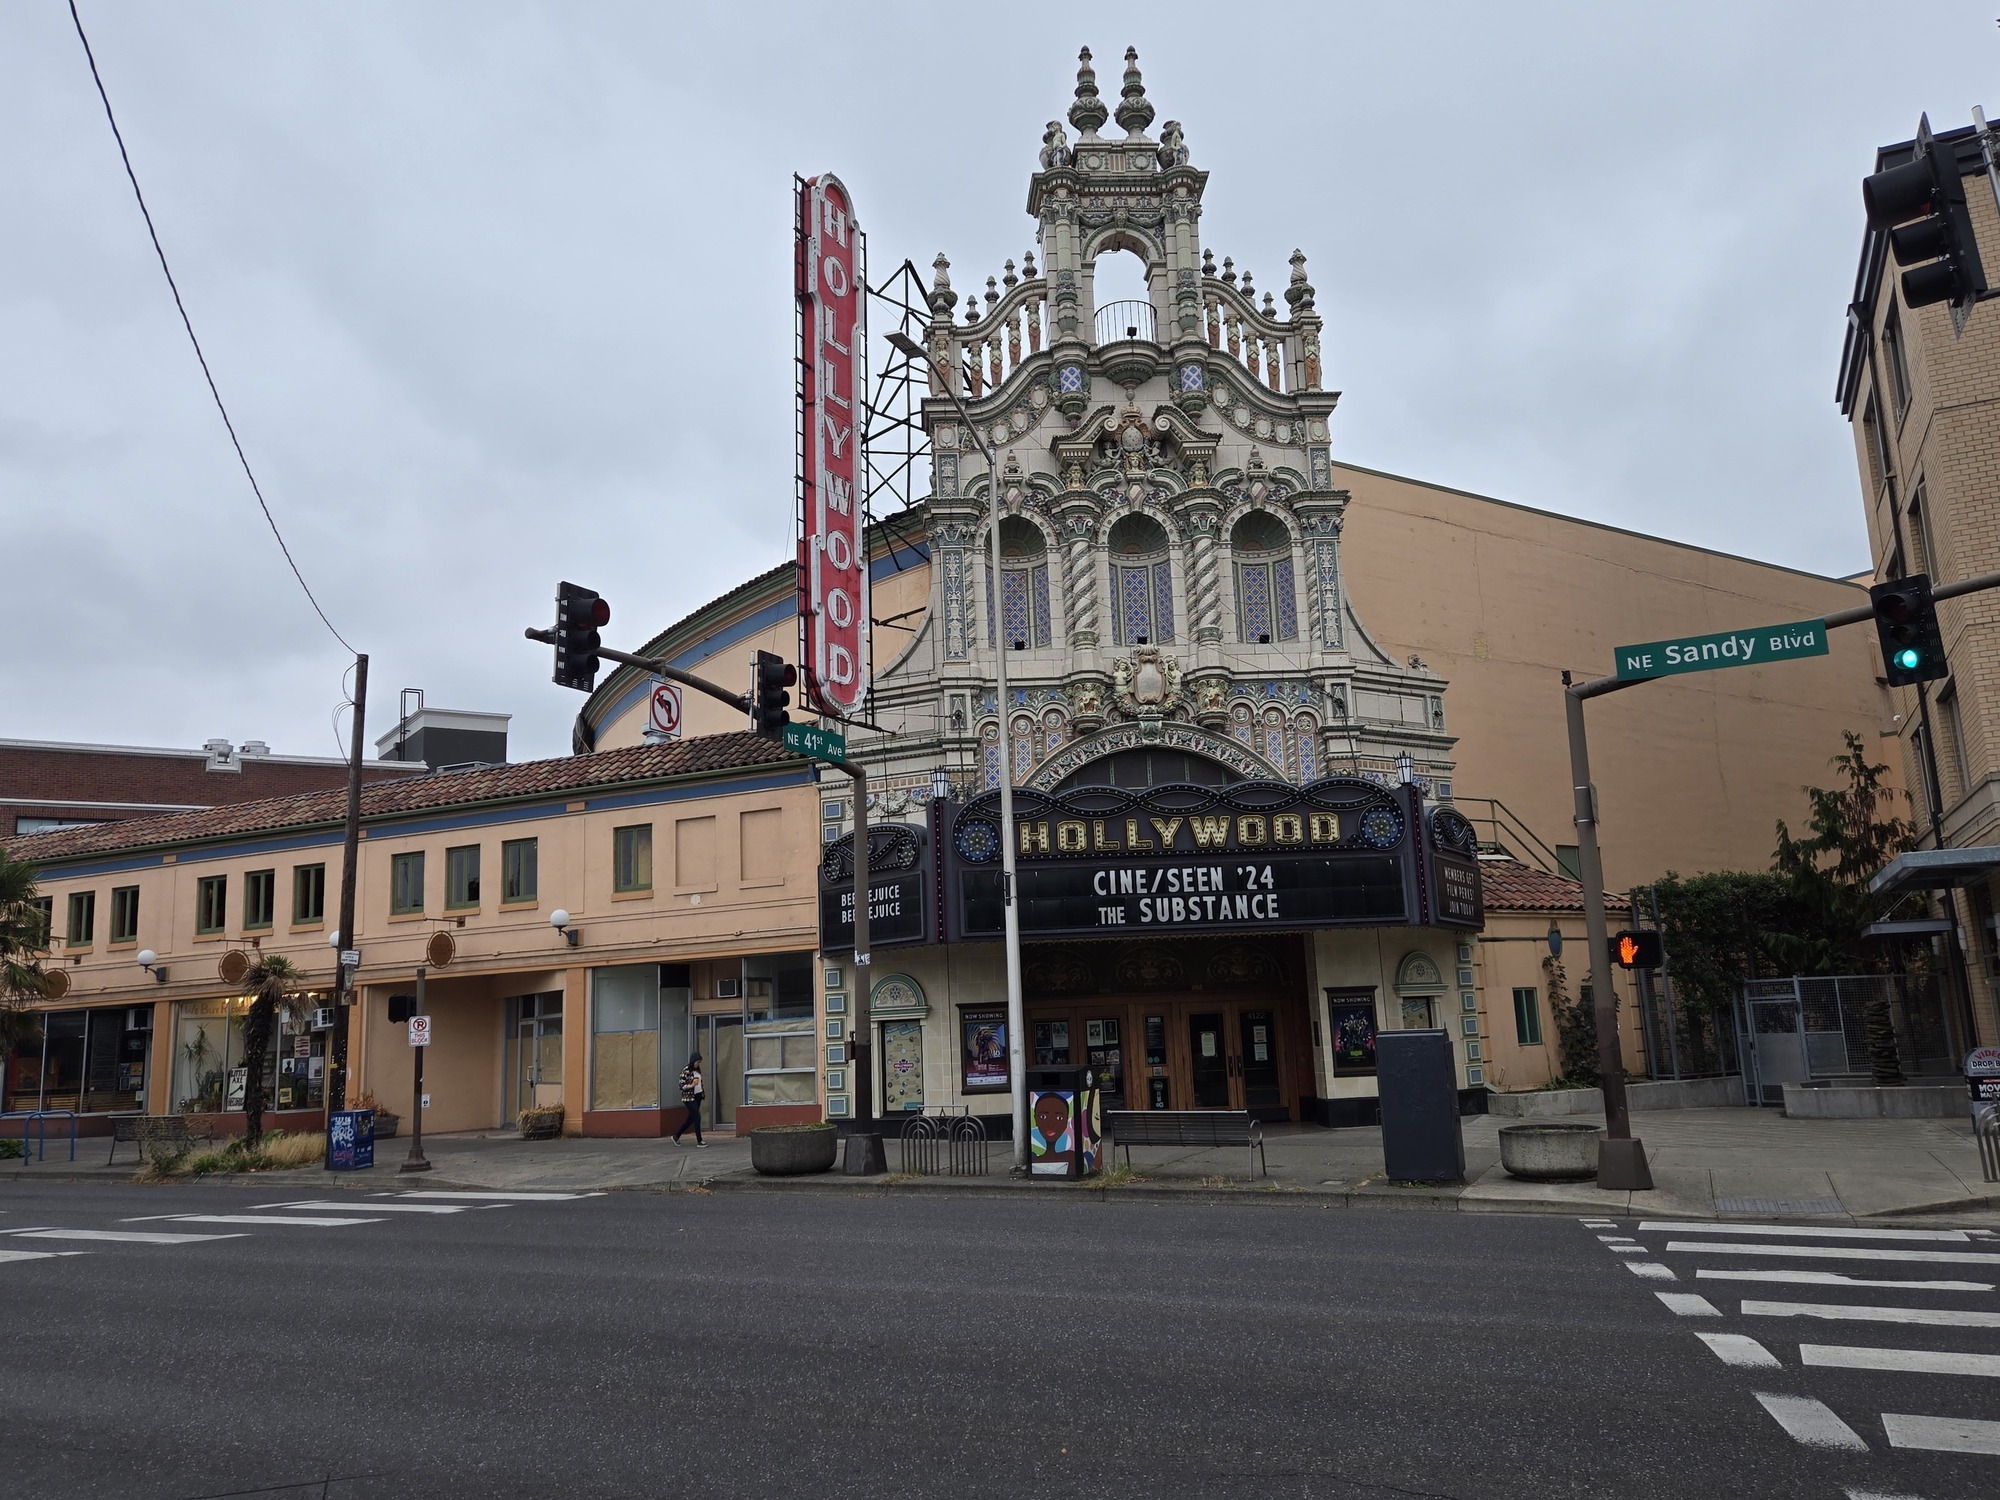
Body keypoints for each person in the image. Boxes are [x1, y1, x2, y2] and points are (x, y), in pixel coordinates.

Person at [673, 1052, 706, 1146]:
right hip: (689, 1098)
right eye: (697, 1062)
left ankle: (676, 1136)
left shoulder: (697, 1071)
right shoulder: (686, 1071)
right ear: (693, 1061)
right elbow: (681, 1085)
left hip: (697, 1096)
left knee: (690, 1119)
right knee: (697, 1117)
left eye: (699, 1062)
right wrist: (691, 1085)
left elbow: (700, 1083)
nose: (698, 1064)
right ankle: (699, 1141)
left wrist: (702, 1093)